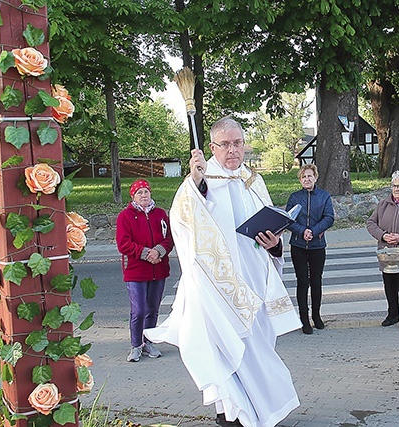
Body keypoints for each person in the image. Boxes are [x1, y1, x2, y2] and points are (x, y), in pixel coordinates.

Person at [144, 117, 301, 427]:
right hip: (218, 288)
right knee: (225, 349)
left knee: (257, 348)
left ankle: (259, 411)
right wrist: (197, 182)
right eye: (225, 144)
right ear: (212, 147)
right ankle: (230, 413)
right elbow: (185, 218)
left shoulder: (253, 180)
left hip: (256, 281)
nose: (232, 150)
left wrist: (274, 245)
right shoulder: (203, 181)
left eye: (238, 143)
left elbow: (272, 231)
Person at [116, 179, 174, 363]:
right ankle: (135, 345)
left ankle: (149, 341)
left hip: (158, 269)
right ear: (133, 196)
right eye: (139, 192)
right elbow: (123, 243)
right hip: (136, 271)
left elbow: (169, 239)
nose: (144, 195)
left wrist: (159, 251)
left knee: (152, 309)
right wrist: (145, 253)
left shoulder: (160, 215)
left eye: (146, 192)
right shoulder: (125, 216)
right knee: (139, 310)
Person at [366, 170, 399, 330]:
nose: (396, 189)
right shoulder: (383, 204)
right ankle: (392, 314)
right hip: (386, 252)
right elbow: (370, 223)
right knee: (389, 285)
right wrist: (383, 236)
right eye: (394, 186)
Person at [286, 164, 335, 334]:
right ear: (300, 180)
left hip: (317, 246)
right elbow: (289, 219)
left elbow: (329, 218)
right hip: (298, 245)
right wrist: (302, 231)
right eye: (303, 177)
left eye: (309, 176)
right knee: (302, 281)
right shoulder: (294, 197)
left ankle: (316, 315)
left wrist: (313, 232)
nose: (307, 179)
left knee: (316, 281)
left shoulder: (324, 196)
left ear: (315, 177)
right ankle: (304, 318)